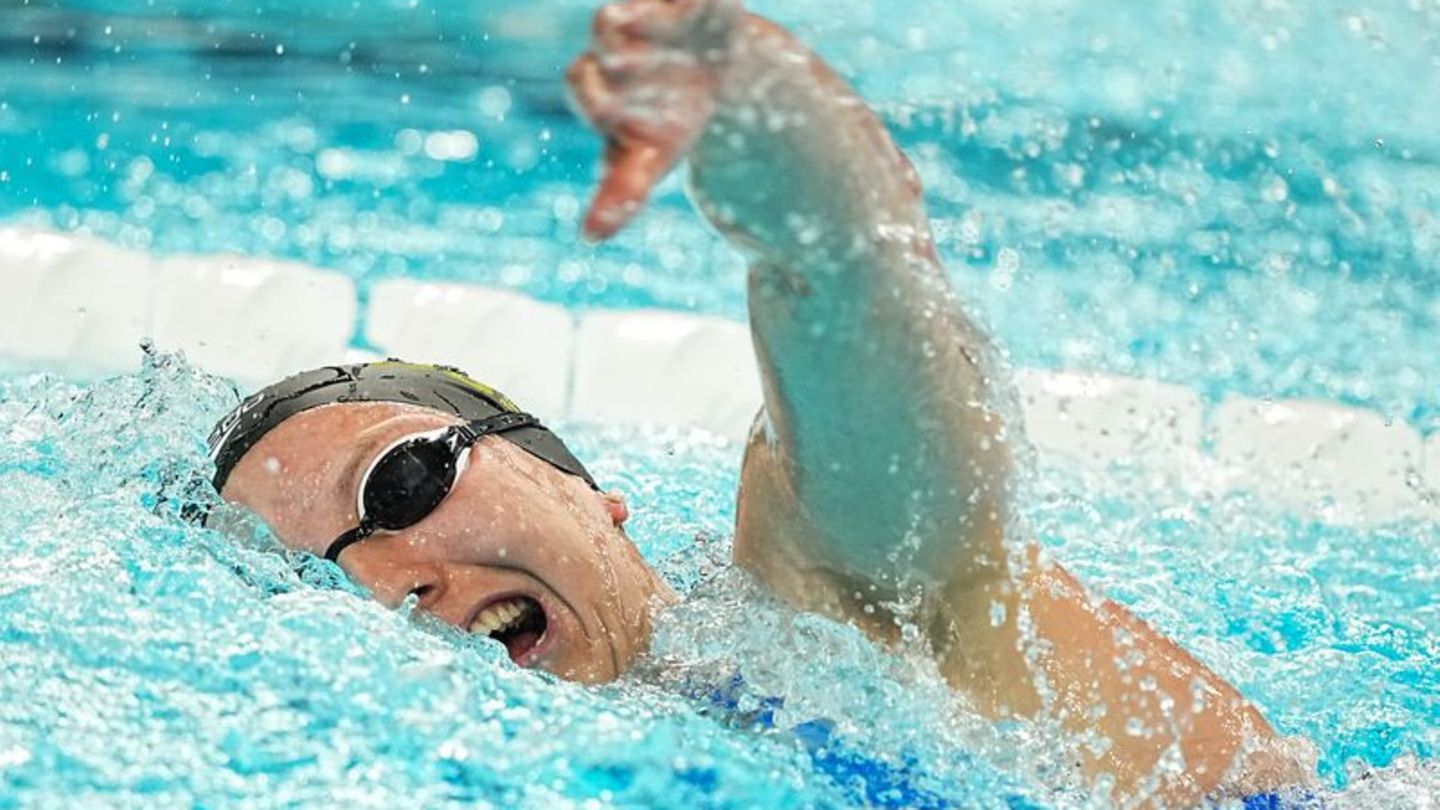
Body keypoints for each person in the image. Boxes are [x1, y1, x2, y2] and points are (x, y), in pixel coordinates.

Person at [208, 0, 1314, 804]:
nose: (388, 584)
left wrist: (759, 120)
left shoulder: (826, 591)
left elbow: (857, 285)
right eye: (320, 583)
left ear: (582, 488)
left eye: (404, 482)